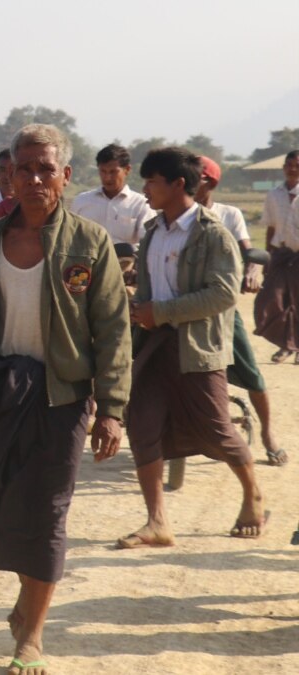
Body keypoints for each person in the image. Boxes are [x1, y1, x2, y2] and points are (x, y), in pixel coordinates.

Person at [0, 124, 130, 675]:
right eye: (23, 168)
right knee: (4, 508)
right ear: (8, 174)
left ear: (65, 176)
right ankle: (27, 604)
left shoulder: (88, 244)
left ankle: (32, 633)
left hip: (63, 398)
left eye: (45, 169)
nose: (33, 179)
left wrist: (112, 409)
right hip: (0, 393)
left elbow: (113, 330)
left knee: (48, 512)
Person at [120, 147, 267, 551]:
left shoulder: (212, 234)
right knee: (142, 425)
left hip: (195, 347)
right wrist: (136, 308)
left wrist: (161, 311)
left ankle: (252, 493)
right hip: (153, 346)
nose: (145, 190)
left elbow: (222, 294)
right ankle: (157, 521)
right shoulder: (153, 231)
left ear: (178, 185)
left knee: (217, 429)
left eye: (151, 182)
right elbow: (149, 289)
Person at [195, 156, 286, 465]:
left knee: (251, 374)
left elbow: (250, 252)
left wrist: (252, 271)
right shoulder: (171, 216)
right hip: (177, 307)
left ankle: (267, 434)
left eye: (195, 177)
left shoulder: (228, 214)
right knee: (139, 362)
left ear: (210, 182)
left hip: (219, 309)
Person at [252, 150, 299, 362]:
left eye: (297, 164)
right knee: (273, 301)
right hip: (280, 254)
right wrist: (267, 257)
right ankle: (285, 344)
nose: (293, 168)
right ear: (283, 168)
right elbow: (271, 227)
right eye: (289, 164)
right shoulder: (274, 195)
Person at [71, 143, 156, 246]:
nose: (107, 177)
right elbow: (70, 237)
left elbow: (147, 243)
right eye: (103, 171)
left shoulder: (142, 205)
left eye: (113, 172)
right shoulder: (82, 201)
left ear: (127, 170)